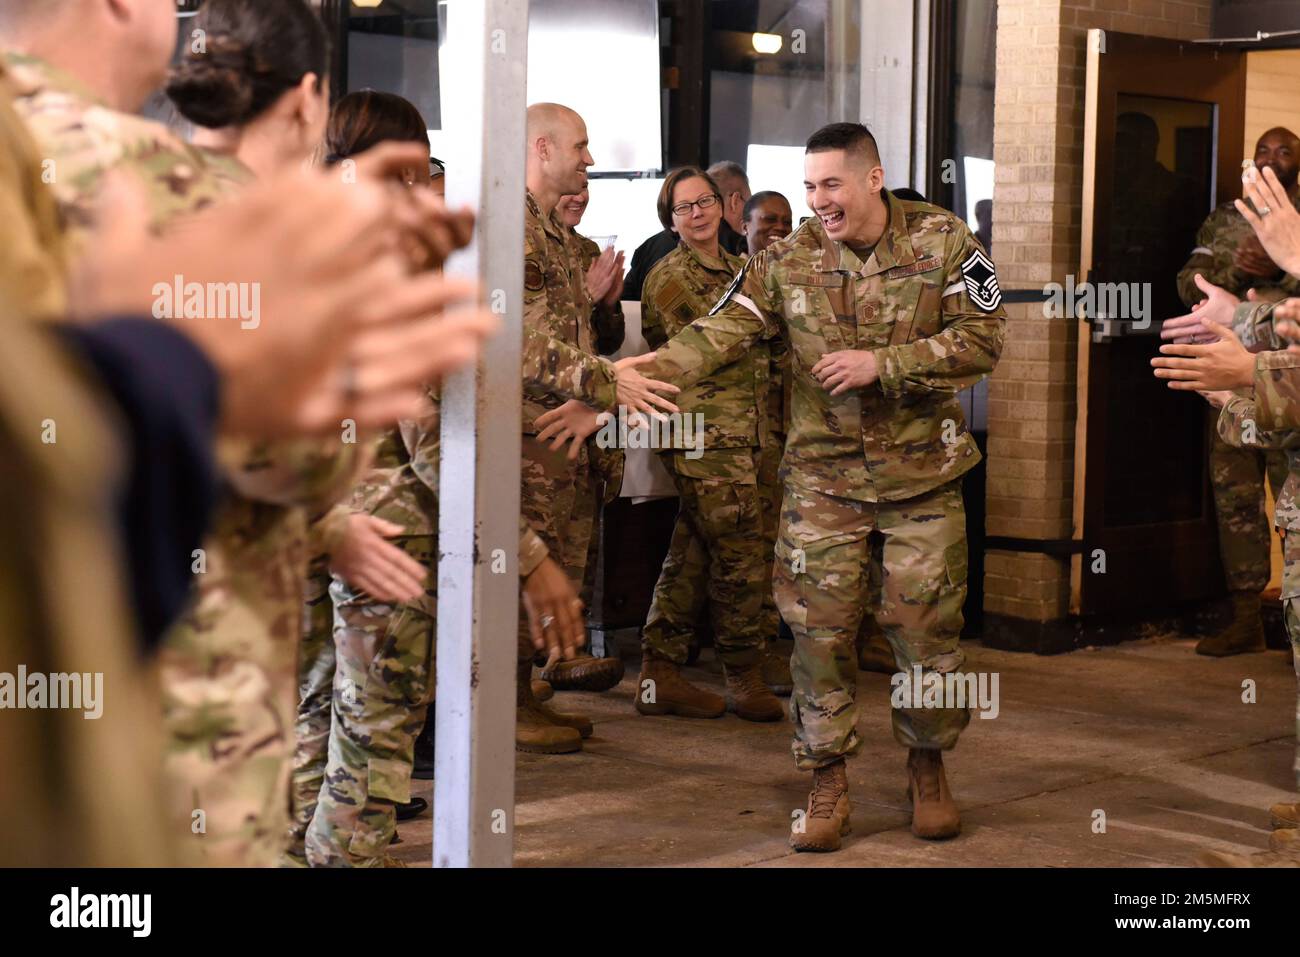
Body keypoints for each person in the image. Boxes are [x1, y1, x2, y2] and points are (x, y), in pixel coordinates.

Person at [635, 123, 1005, 851]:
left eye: (830, 184)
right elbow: (721, 330)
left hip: (921, 482)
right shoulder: (789, 256)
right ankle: (827, 776)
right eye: (808, 187)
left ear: (872, 178)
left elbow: (985, 338)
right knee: (817, 635)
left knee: (928, 635)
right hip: (821, 481)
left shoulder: (945, 241)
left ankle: (927, 764)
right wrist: (628, 380)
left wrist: (885, 364)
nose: (817, 201)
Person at [629, 166, 784, 722]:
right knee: (740, 549)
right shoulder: (670, 277)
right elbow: (708, 348)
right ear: (670, 221)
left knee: (696, 546)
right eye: (683, 207)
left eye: (705, 202)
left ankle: (660, 669)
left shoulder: (742, 269)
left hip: (750, 429)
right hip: (700, 431)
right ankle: (743, 671)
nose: (697, 213)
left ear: (724, 206)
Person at [1176, 127, 1300, 658]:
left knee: (1288, 496)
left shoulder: (1294, 226)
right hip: (1234, 371)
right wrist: (1235, 276)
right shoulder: (1227, 217)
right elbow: (1191, 282)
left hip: (1287, 383)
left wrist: (1282, 266)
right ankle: (1247, 614)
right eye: (1264, 150)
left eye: (1284, 151)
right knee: (1236, 498)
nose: (1272, 158)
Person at [707, 160, 752, 257]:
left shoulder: (691, 241)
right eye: (748, 205)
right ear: (735, 201)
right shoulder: (740, 250)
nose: (749, 214)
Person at [741, 190, 794, 258]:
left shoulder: (803, 267)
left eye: (787, 222)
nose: (780, 227)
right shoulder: (730, 268)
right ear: (745, 227)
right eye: (770, 219)